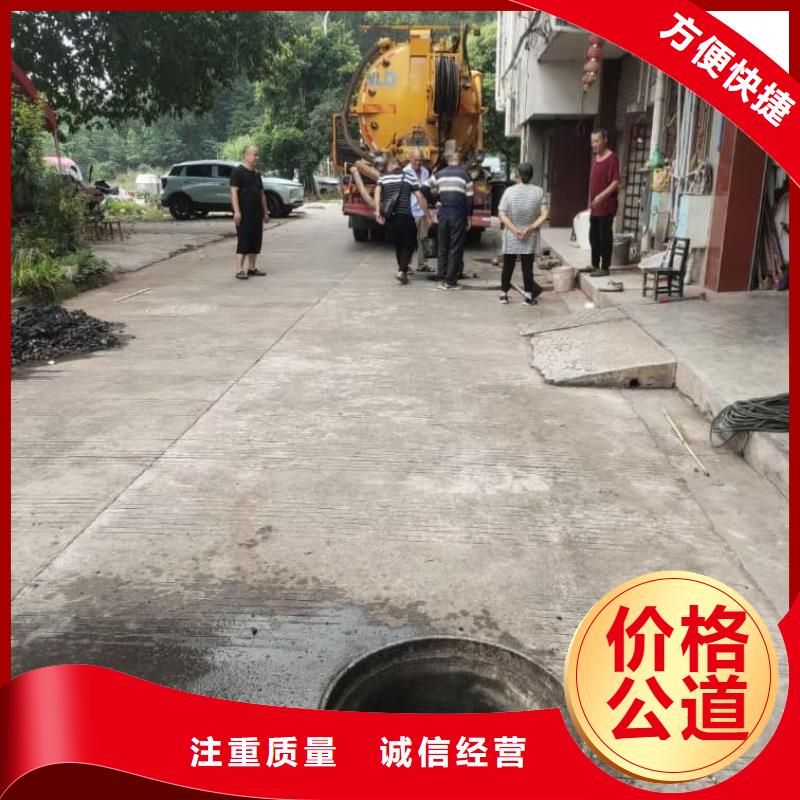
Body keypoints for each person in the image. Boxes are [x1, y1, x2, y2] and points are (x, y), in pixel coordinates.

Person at [374, 155, 432, 284]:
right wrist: (428, 215)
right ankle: (401, 270)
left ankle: (403, 272)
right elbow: (420, 197)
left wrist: (377, 211)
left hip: (390, 218)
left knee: (398, 244)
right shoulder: (409, 176)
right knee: (409, 244)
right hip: (405, 215)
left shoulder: (383, 177)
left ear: (390, 166)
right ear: (397, 164)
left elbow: (377, 191)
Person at [497, 162, 549, 306]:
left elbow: (501, 213)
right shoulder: (539, 191)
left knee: (508, 265)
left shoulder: (509, 191)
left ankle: (503, 295)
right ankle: (528, 297)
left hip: (511, 235)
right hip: (529, 236)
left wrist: (514, 230)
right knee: (527, 267)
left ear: (518, 175)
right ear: (531, 175)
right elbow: (544, 214)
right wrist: (530, 228)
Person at [427, 150, 473, 290]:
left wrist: (435, 201)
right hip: (458, 215)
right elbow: (469, 200)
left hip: (443, 214)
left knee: (442, 246)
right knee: (455, 248)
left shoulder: (439, 174)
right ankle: (450, 281)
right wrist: (469, 217)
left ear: (448, 161)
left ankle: (441, 276)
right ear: (460, 161)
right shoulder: (466, 175)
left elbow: (424, 188)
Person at [229, 145, 269, 280]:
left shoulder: (257, 174)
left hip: (256, 213)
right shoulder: (238, 172)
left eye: (258, 155)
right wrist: (237, 211)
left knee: (255, 240)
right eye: (255, 155)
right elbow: (233, 192)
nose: (257, 157)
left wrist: (265, 211)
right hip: (244, 213)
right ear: (246, 156)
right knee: (244, 240)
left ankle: (252, 268)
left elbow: (261, 194)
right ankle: (239, 270)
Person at [587, 129, 621, 277]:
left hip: (606, 205)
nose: (594, 144)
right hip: (595, 205)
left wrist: (601, 195)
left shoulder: (612, 158)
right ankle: (594, 264)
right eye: (592, 141)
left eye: (597, 141)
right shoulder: (596, 158)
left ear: (605, 140)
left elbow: (616, 182)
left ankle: (605, 267)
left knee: (604, 237)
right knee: (593, 236)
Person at [403, 149, 432, 272]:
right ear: (410, 159)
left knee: (423, 239)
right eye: (415, 160)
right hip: (410, 211)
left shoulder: (425, 171)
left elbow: (427, 191)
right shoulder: (405, 172)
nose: (418, 163)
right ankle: (407, 265)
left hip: (422, 210)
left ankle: (422, 264)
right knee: (408, 240)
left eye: (420, 160)